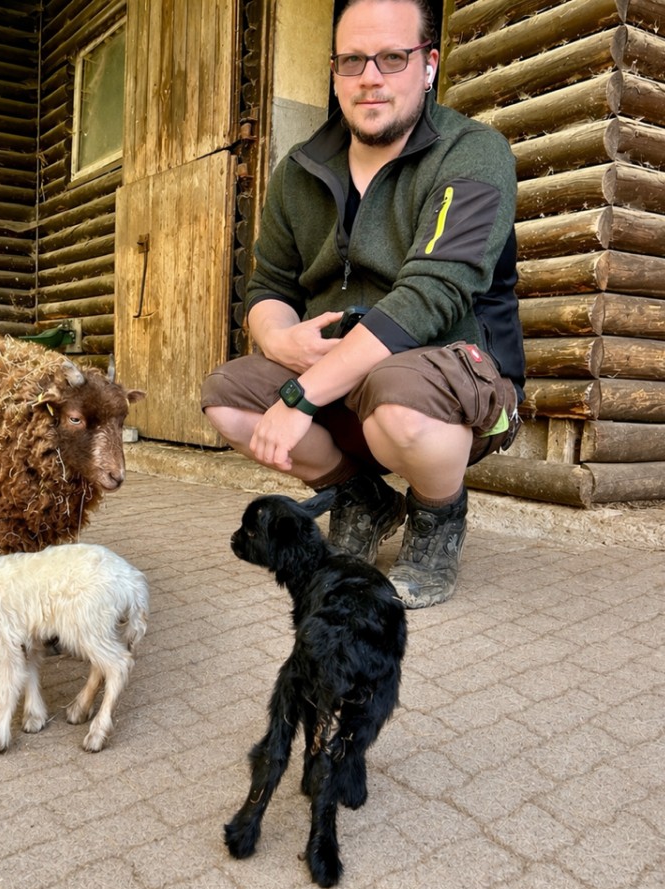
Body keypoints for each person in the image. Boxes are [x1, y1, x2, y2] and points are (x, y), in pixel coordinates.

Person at [201, 0, 525, 608]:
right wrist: (277, 340)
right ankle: (362, 498)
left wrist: (302, 394)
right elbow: (268, 287)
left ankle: (437, 516)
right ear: (334, 71)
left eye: (392, 57)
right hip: (340, 381)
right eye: (352, 60)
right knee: (227, 399)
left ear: (429, 66)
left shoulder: (475, 154)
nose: (370, 76)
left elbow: (434, 293)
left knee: (400, 400)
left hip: (448, 381)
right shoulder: (298, 171)